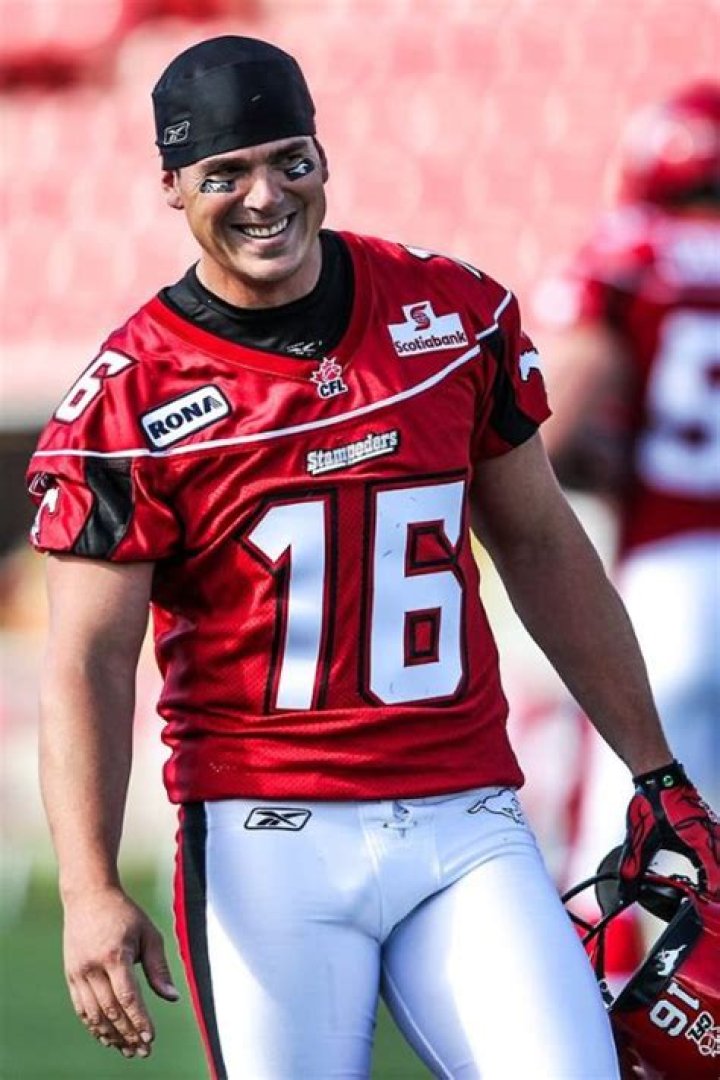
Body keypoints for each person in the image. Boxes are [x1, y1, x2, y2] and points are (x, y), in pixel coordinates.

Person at [27, 37, 719, 1079]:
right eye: (225, 173)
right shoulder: (130, 400)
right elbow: (87, 658)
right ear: (172, 187)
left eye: (289, 160)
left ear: (323, 155)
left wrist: (653, 764)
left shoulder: (450, 313)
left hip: (468, 817)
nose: (266, 196)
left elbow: (541, 543)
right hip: (268, 840)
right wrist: (88, 888)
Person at [532, 83, 720, 909]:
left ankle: (611, 990)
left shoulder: (634, 255)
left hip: (669, 579)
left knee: (629, 839)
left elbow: (552, 425)